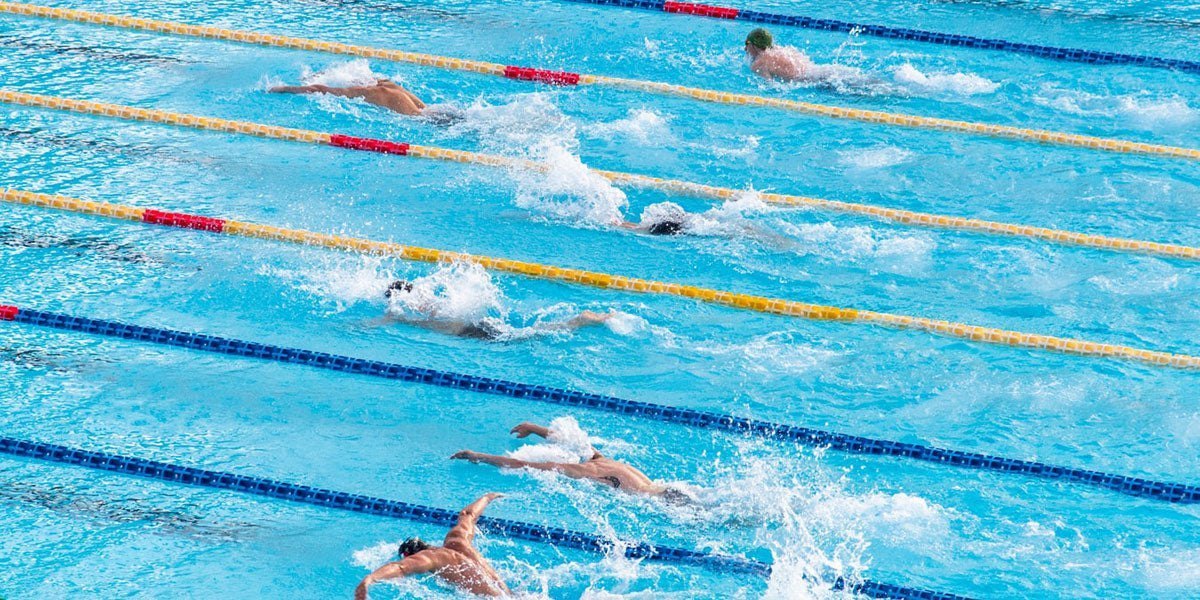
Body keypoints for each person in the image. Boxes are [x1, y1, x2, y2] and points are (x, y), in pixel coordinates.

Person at [451, 422, 693, 504]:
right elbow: (572, 440)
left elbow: (521, 464)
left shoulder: (583, 470)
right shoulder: (602, 459)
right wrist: (534, 428)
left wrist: (479, 456)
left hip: (662, 503)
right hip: (670, 491)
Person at [354, 493, 510, 599]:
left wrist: (370, 579)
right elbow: (467, 515)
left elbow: (401, 568)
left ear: (411, 555)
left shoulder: (430, 558)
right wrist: (488, 497)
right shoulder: (457, 540)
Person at [383, 280, 614, 341]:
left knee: (527, 336)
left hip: (472, 330)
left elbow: (438, 325)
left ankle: (579, 321)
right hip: (476, 324)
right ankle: (577, 321)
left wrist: (398, 319)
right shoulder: (432, 300)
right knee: (527, 332)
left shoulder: (425, 309)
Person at [744, 28, 854, 84]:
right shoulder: (782, 50)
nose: (745, 49)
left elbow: (770, 87)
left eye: (747, 44)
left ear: (753, 45)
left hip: (814, 81)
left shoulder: (759, 63)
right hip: (823, 70)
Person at [270, 78, 427, 116]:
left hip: (422, 121)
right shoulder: (388, 85)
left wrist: (285, 88)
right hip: (435, 113)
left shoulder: (365, 93)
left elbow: (319, 90)